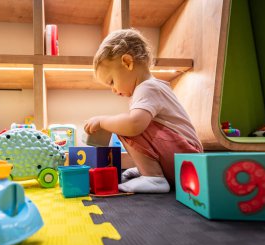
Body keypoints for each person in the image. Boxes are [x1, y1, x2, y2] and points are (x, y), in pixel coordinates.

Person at [84, 29, 203, 193]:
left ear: (127, 62)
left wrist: (103, 121)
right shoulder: (150, 88)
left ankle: (153, 177)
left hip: (187, 159)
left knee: (126, 124)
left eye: (111, 81)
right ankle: (149, 171)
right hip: (187, 161)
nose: (113, 89)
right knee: (126, 123)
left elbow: (134, 126)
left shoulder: (147, 87)